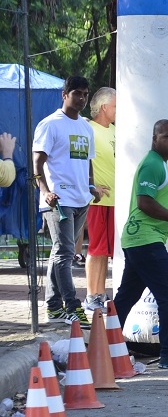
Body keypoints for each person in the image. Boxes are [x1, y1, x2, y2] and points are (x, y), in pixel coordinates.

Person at [112, 120, 168, 369]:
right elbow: (144, 202)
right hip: (146, 240)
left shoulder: (159, 164)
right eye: (167, 136)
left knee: (125, 298)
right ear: (154, 138)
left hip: (138, 240)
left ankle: (104, 346)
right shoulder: (153, 164)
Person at [34, 75, 100, 324]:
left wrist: (91, 185)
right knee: (65, 254)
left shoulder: (85, 126)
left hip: (81, 199)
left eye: (85, 94)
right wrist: (45, 191)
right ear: (65, 95)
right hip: (58, 201)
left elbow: (88, 161)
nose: (82, 98)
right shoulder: (50, 124)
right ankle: (72, 306)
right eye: (77, 94)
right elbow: (37, 162)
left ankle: (53, 307)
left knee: (59, 253)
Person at [84, 86, 116, 313]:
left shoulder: (115, 130)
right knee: (96, 249)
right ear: (104, 107)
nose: (118, 111)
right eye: (115, 106)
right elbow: (80, 160)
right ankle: (90, 295)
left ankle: (101, 293)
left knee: (106, 250)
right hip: (98, 200)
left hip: (116, 199)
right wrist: (90, 185)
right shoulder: (88, 128)